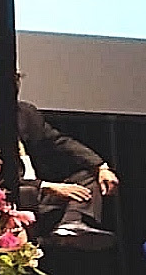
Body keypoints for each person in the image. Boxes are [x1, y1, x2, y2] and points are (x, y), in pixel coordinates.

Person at [17, 98, 119, 250]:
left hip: (39, 195)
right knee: (28, 191)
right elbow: (5, 177)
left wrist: (101, 166)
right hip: (16, 195)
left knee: (87, 176)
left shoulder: (25, 112)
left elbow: (59, 141)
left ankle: (71, 223)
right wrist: (47, 186)